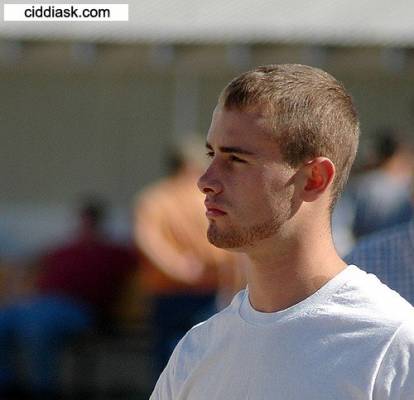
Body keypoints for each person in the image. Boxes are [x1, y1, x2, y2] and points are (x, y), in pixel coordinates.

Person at [150, 64, 414, 399]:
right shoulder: (196, 353)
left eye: (236, 160)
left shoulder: (393, 347)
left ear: (315, 178)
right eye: (211, 154)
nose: (205, 181)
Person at [0, 197, 137, 397]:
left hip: (81, 310)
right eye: (82, 222)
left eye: (89, 223)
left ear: (99, 224)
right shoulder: (64, 250)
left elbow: (141, 258)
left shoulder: (112, 252)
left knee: (37, 326)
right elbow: (29, 263)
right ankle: (7, 384)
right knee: (4, 320)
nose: (85, 228)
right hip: (43, 303)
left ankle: (43, 389)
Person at [134, 138, 246, 375]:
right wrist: (235, 287)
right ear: (190, 165)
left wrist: (178, 269)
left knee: (168, 366)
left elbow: (148, 242)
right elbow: (234, 249)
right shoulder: (211, 199)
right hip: (209, 290)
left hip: (168, 292)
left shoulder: (154, 199)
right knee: (207, 362)